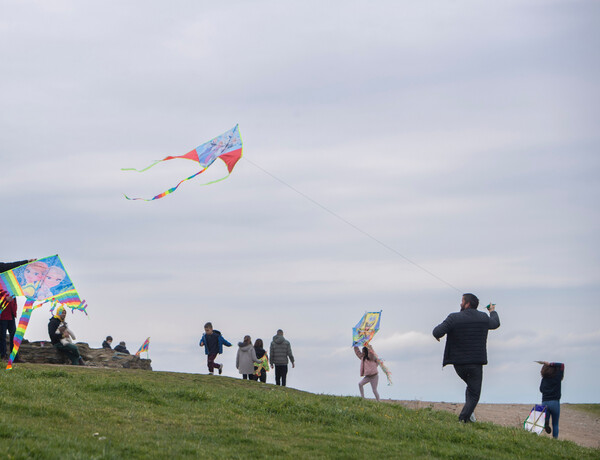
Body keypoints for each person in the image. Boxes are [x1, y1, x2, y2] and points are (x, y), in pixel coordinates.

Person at [432, 293, 500, 423]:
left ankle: (468, 418)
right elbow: (495, 323)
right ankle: (463, 418)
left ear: (467, 304)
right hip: (475, 363)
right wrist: (492, 311)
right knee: (474, 393)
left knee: (471, 389)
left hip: (458, 363)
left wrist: (438, 335)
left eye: (462, 301)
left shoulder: (454, 318)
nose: (460, 304)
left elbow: (436, 331)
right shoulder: (483, 317)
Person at [537, 361, 565, 438]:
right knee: (555, 424)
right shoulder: (557, 377)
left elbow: (541, 389)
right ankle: (555, 439)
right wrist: (550, 364)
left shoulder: (544, 379)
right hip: (555, 402)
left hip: (545, 402)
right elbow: (562, 365)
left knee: (547, 417)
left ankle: (546, 423)